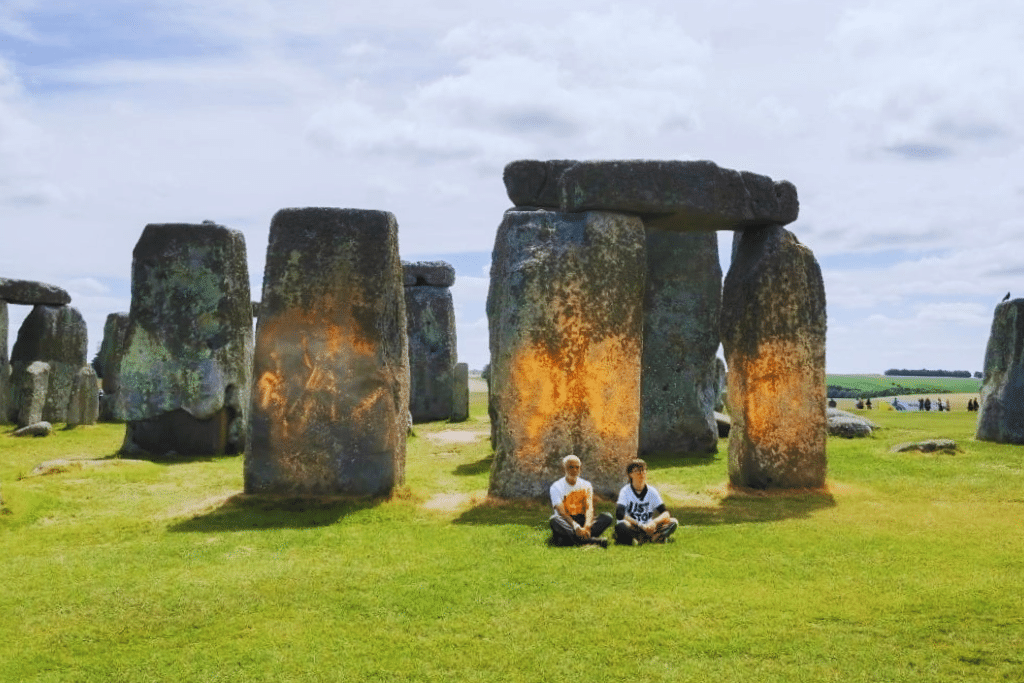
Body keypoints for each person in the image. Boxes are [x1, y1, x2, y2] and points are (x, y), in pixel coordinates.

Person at [549, 454, 613, 548]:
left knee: (607, 517)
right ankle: (589, 540)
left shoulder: (586, 485)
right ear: (564, 469)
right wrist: (576, 526)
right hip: (567, 521)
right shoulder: (556, 487)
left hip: (582, 519)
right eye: (571, 467)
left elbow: (589, 508)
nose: (574, 470)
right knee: (554, 520)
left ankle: (570, 539)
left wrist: (587, 526)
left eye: (577, 467)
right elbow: (561, 512)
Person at [613, 459, 678, 545]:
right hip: (634, 525)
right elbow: (620, 514)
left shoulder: (652, 491)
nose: (641, 473)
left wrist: (654, 522)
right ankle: (651, 537)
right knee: (622, 525)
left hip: (648, 526)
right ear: (630, 474)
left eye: (643, 470)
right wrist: (640, 525)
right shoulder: (625, 491)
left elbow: (665, 513)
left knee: (673, 521)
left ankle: (648, 537)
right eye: (637, 470)